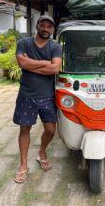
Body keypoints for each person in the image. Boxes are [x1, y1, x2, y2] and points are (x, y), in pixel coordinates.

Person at [13, 15, 62, 183]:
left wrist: (31, 63)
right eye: (43, 25)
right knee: (24, 130)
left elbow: (55, 68)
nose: (46, 29)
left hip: (47, 96)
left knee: (50, 130)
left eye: (49, 27)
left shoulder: (55, 47)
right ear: (37, 26)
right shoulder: (24, 43)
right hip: (27, 95)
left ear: (53, 30)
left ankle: (42, 152)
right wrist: (43, 63)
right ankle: (23, 165)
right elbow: (22, 64)